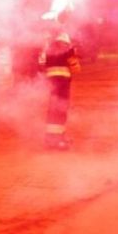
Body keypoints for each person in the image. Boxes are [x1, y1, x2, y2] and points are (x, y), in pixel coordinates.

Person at [39, 14, 81, 149]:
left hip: (52, 80)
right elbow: (75, 66)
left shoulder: (48, 45)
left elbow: (42, 64)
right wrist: (75, 62)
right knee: (60, 109)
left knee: (53, 108)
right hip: (62, 80)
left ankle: (52, 138)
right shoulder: (65, 46)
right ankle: (56, 140)